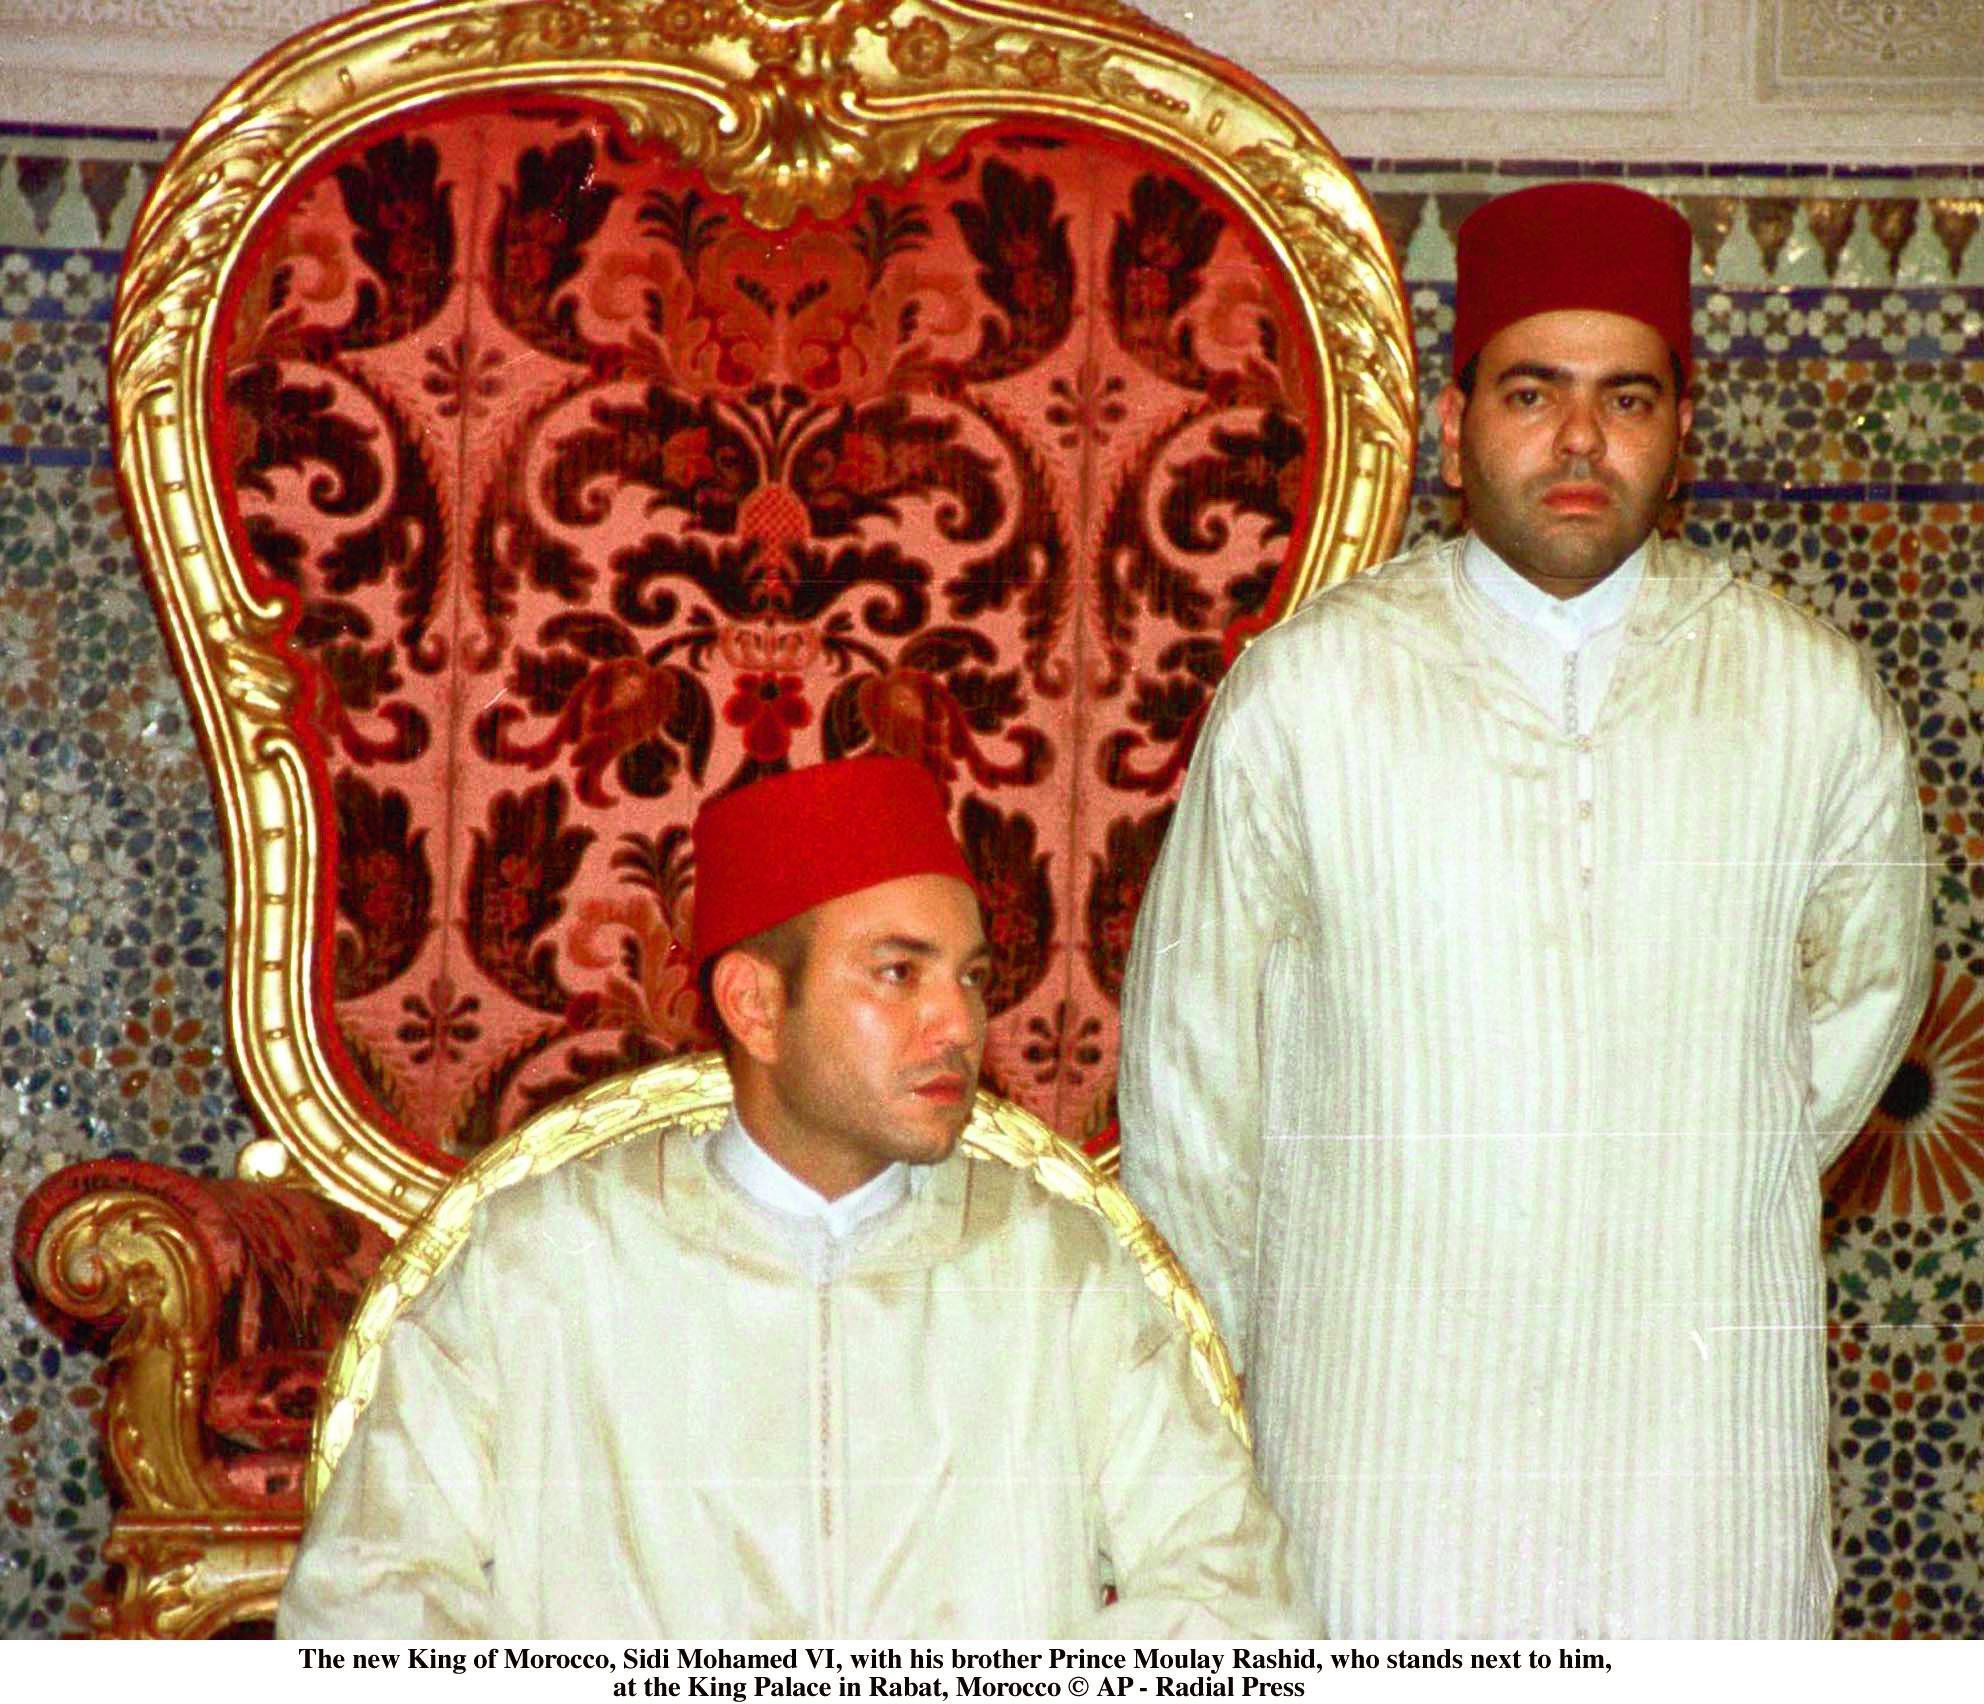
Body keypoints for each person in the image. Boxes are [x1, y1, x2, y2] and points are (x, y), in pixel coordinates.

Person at [1117, 182, 1930, 1639]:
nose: (1578, 440)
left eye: (1626, 399)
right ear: (1452, 423)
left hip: (1696, 1450)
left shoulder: (1807, 694)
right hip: (1381, 1442)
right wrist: (1237, 1380)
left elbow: (1865, 1000)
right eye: (1532, 392)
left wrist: (1681, 1167)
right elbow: (1192, 1082)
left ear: (1681, 432)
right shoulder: (1307, 695)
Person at [280, 756, 1314, 1638]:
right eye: (899, 974)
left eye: (971, 977)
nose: (959, 1023)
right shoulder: (550, 1261)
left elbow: (1234, 1599)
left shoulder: (1053, 1269)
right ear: (756, 1006)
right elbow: (368, 1597)